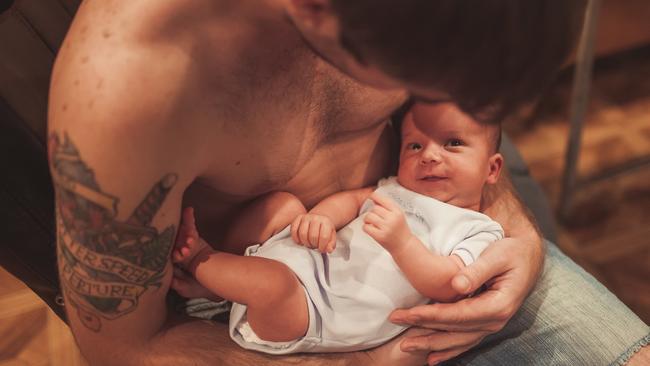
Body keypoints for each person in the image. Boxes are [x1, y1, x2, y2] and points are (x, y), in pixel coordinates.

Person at [47, 0, 649, 365]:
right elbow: (127, 350)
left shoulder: (421, 20)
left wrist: (516, 234)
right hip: (251, 326)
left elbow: (462, 130)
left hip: (431, 246)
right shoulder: (129, 91)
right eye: (427, 81)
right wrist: (361, 362)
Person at [170, 102, 505, 354]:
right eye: (414, 146)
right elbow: (349, 201)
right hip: (307, 260)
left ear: (492, 168)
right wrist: (323, 218)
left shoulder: (477, 230)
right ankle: (218, 291)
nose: (429, 156)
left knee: (274, 285)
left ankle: (202, 259)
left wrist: (403, 244)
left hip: (314, 313)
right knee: (281, 205)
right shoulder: (392, 188)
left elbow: (449, 285)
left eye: (453, 144)